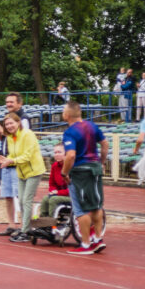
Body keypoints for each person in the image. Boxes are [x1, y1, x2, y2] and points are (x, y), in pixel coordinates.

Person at [61, 100, 108, 255]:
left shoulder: (70, 132)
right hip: (95, 168)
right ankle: (98, 238)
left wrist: (64, 172)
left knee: (81, 209)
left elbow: (71, 155)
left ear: (67, 115)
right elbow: (105, 143)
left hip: (80, 171)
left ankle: (86, 243)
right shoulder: (92, 126)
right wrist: (101, 161)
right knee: (96, 204)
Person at [0, 113, 46, 242]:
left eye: (11, 123)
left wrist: (10, 161)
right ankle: (25, 228)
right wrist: (5, 159)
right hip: (22, 172)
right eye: (6, 124)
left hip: (33, 171)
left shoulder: (27, 134)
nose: (9, 126)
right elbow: (13, 154)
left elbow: (27, 156)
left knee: (26, 200)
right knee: (21, 200)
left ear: (18, 122)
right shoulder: (11, 137)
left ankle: (26, 231)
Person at [37, 145, 70, 218]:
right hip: (59, 194)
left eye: (59, 152)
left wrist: (58, 193)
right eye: (55, 152)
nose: (57, 154)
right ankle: (43, 222)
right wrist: (53, 190)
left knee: (53, 199)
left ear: (66, 153)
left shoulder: (72, 166)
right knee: (45, 199)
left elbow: (74, 188)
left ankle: (50, 223)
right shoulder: (54, 166)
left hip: (72, 196)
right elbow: (52, 183)